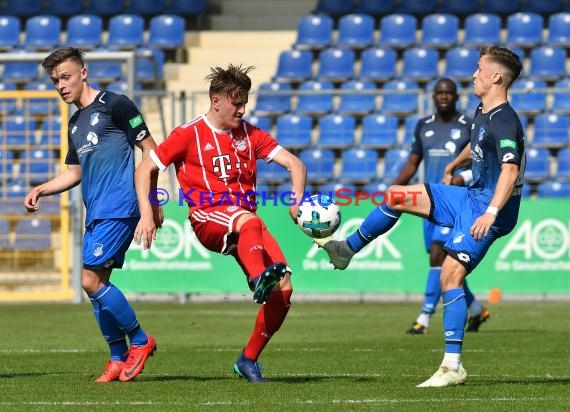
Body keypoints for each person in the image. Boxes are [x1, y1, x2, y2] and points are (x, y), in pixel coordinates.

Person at [316, 46, 524, 387]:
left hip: (487, 210)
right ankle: (346, 250)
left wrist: (490, 212)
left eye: (479, 69)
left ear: (496, 77)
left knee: (449, 277)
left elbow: (510, 170)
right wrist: (457, 164)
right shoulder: (482, 112)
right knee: (397, 196)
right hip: (467, 196)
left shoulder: (503, 118)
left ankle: (452, 366)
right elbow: (476, 147)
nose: (473, 75)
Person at [134, 64, 307, 383]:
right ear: (216, 101)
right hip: (207, 217)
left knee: (284, 291)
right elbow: (145, 169)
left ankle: (248, 359)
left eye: (244, 103)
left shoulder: (251, 134)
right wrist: (150, 209)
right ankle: (258, 279)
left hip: (245, 225)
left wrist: (295, 199)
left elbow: (294, 164)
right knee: (249, 221)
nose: (242, 110)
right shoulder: (188, 134)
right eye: (236, 103)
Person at [24, 47, 160, 383]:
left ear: (83, 73)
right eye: (56, 80)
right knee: (96, 287)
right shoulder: (75, 123)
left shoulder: (116, 104)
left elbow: (151, 150)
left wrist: (150, 205)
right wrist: (41, 188)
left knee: (89, 280)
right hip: (96, 212)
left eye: (66, 76)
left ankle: (140, 340)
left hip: (121, 206)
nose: (61, 85)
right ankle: (116, 357)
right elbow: (73, 173)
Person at [395, 78, 489, 335]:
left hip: (456, 201)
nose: (444, 96)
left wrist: (461, 177)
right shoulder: (423, 125)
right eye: (440, 93)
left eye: (449, 93)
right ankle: (477, 309)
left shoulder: (468, 125)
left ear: (456, 96)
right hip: (428, 201)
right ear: (433, 97)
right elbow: (413, 163)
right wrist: (395, 189)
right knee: (447, 261)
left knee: (438, 254)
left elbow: (480, 163)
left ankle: (424, 318)